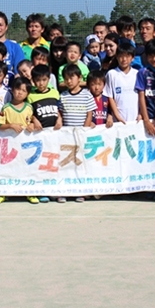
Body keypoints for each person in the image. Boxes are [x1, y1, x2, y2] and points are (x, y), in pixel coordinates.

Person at [0, 77, 37, 205]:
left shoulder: (29, 108)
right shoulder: (6, 108)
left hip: (24, 146)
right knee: (6, 169)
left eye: (24, 90)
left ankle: (29, 192)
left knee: (26, 169)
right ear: (12, 90)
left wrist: (32, 125)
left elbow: (31, 121)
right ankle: (2, 193)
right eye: (18, 89)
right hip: (9, 146)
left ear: (27, 93)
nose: (20, 93)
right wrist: (11, 125)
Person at [58, 64, 96, 203]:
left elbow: (89, 114)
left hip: (81, 136)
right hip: (67, 137)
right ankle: (65, 191)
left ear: (79, 78)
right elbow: (60, 113)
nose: (69, 81)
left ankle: (81, 192)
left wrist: (84, 131)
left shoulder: (87, 94)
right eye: (66, 78)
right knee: (66, 164)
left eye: (72, 78)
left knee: (81, 164)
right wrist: (59, 122)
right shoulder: (63, 96)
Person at [135, 39, 155, 136]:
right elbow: (141, 96)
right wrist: (146, 120)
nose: (154, 59)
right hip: (148, 116)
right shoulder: (143, 72)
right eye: (151, 56)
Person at [105, 41, 139, 124]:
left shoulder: (137, 74)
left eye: (127, 56)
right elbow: (110, 97)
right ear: (116, 57)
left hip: (136, 119)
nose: (124, 59)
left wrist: (141, 114)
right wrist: (117, 116)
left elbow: (141, 96)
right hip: (118, 120)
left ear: (133, 57)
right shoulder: (111, 74)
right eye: (121, 56)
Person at [28, 64, 62, 132]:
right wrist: (34, 120)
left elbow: (58, 109)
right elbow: (28, 113)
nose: (41, 83)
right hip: (39, 131)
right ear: (33, 80)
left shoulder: (55, 93)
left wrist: (59, 119)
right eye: (38, 80)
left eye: (44, 80)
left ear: (49, 79)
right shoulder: (30, 95)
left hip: (55, 130)